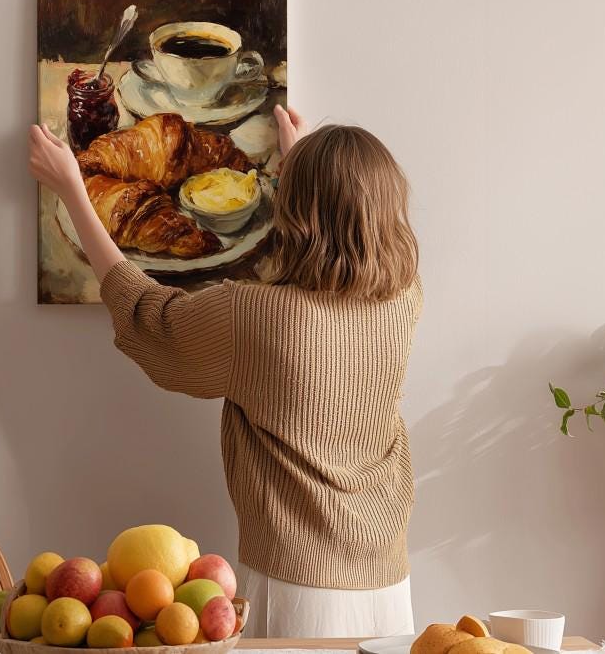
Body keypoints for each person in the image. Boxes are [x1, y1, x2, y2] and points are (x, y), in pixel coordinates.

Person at [28, 105, 422, 638]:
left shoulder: (254, 315)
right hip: (389, 582)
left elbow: (148, 313)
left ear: (294, 209)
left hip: (295, 584)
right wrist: (300, 166)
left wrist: (73, 190)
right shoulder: (404, 299)